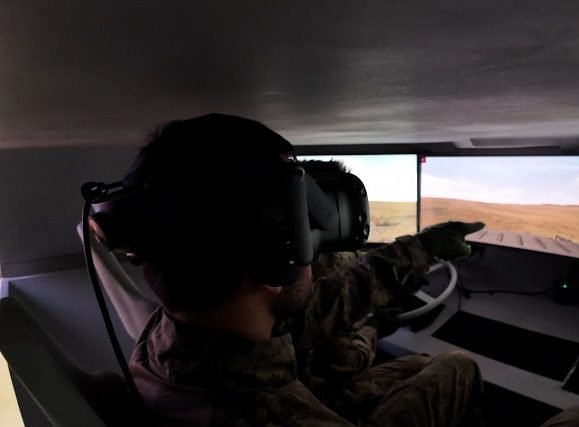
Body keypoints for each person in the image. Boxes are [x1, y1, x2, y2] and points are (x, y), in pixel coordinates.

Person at [124, 113, 486, 426]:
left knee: (419, 364)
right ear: (274, 260)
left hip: (310, 390)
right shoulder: (273, 414)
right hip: (324, 404)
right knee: (459, 366)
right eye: (305, 228)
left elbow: (311, 315)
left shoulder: (171, 337)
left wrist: (419, 249)